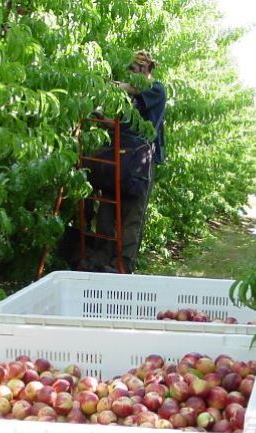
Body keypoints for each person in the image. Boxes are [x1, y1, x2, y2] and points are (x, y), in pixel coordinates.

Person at [82, 50, 166, 273]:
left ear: (148, 69)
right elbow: (121, 124)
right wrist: (104, 119)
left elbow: (137, 89)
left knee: (132, 214)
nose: (133, 74)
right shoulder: (126, 96)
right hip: (117, 155)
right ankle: (101, 259)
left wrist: (110, 85)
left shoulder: (156, 89)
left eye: (138, 69)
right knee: (107, 209)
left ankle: (122, 265)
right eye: (132, 69)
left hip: (140, 160)